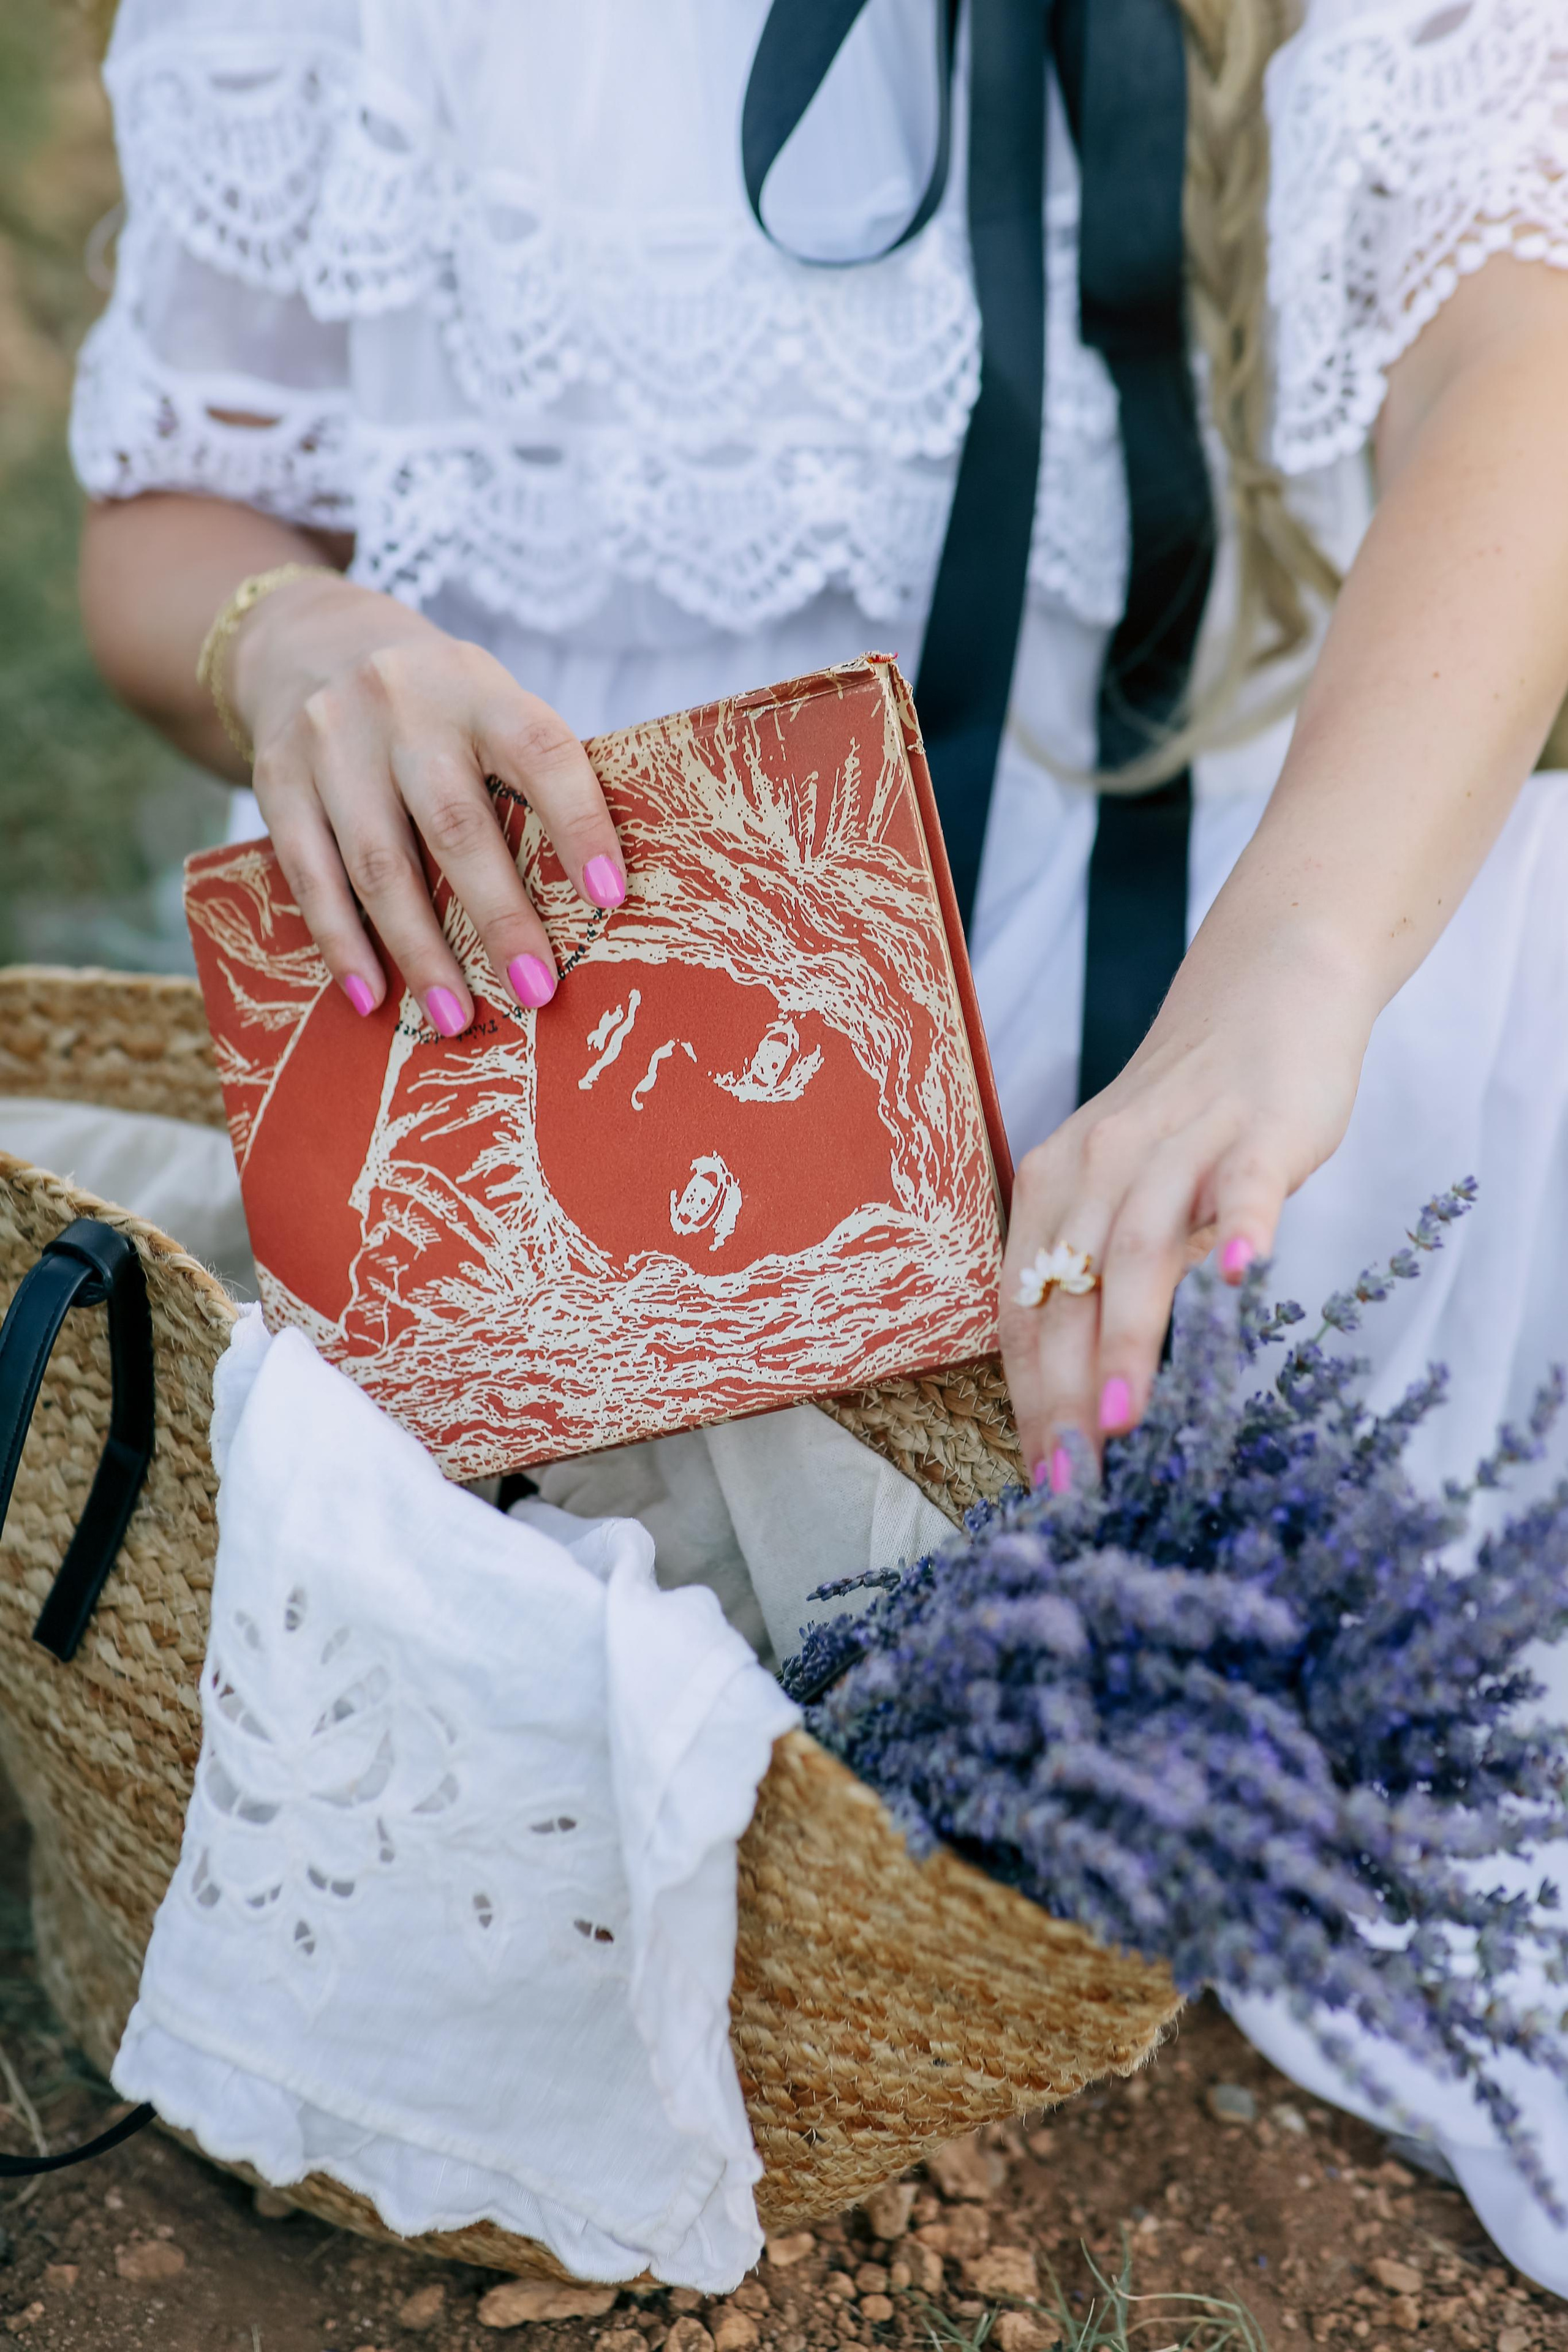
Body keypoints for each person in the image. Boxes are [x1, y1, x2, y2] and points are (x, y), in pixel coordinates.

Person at [70, 0, 1568, 2280]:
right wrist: (299, 643)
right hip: (584, 1124)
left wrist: (1290, 979)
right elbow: (176, 519)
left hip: (1203, 1042)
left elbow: (1522, 367)